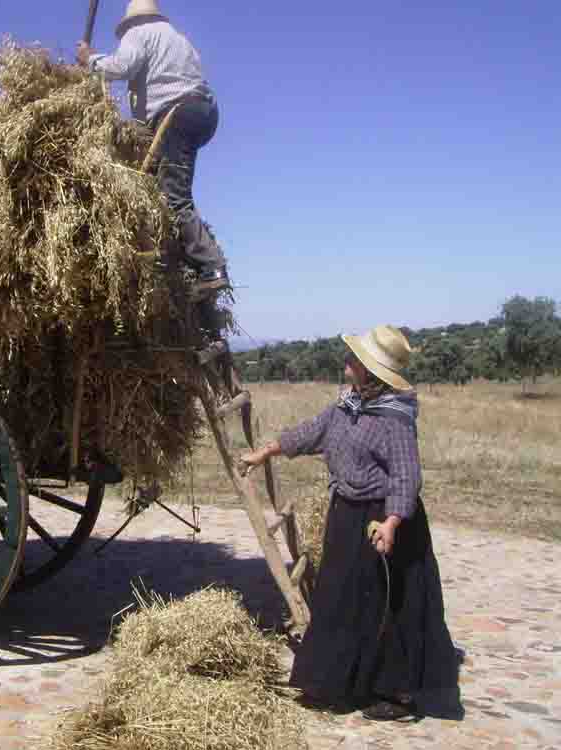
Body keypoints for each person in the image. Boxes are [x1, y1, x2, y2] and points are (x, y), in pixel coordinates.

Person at [240, 324, 462, 722]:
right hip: (346, 515)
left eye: (355, 358)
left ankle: (396, 692)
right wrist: (269, 450)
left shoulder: (393, 418)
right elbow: (314, 432)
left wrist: (392, 522)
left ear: (371, 371)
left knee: (387, 606)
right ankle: (339, 683)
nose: (347, 361)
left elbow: (406, 475)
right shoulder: (348, 403)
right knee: (342, 598)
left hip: (384, 520)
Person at [76, 0, 229, 301]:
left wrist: (91, 60)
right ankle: (187, 264)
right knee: (161, 187)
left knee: (174, 196)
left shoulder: (138, 32)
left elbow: (121, 66)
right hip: (201, 112)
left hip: (177, 112)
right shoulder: (177, 37)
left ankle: (212, 267)